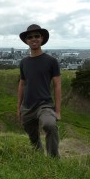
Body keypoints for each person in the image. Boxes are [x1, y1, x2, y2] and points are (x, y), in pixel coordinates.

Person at [17, 24, 61, 158]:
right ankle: (39, 158)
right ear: (26, 41)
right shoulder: (24, 62)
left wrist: (57, 111)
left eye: (37, 36)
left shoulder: (52, 61)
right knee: (33, 136)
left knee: (50, 125)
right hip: (27, 106)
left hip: (44, 104)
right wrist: (19, 106)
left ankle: (53, 160)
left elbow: (57, 86)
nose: (33, 39)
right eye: (30, 37)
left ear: (42, 38)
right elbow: (22, 84)